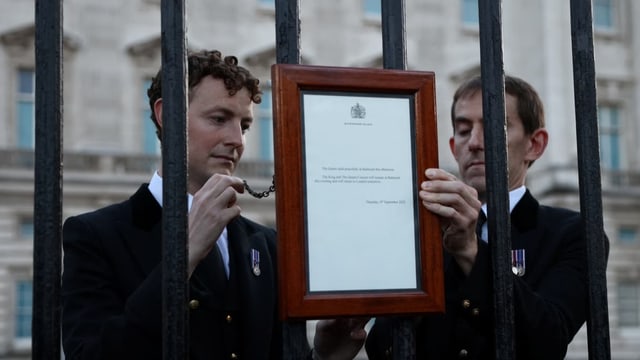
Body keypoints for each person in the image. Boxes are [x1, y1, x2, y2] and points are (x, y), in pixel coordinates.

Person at [313, 74, 607, 359]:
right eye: (464, 131)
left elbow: (548, 340)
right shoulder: (417, 234)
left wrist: (470, 251)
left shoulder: (572, 233)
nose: (475, 142)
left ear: (535, 144)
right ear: (453, 147)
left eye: (495, 126)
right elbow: (385, 345)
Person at [61, 50, 287, 359]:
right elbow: (91, 354)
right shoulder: (95, 235)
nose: (238, 139)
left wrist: (326, 354)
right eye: (219, 119)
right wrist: (184, 255)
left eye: (244, 126)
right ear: (167, 115)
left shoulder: (264, 242)